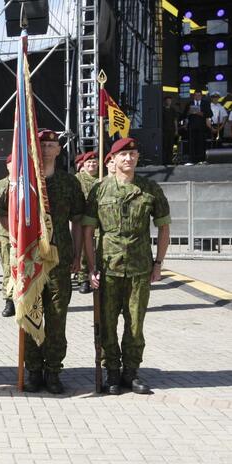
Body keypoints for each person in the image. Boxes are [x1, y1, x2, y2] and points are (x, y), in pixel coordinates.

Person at [82, 138, 170, 395]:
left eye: (132, 154)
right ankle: (111, 373)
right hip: (107, 268)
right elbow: (88, 231)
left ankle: (130, 373)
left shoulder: (149, 189)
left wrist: (158, 264)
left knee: (135, 324)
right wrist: (89, 268)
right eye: (123, 155)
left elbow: (164, 227)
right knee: (107, 323)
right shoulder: (99, 190)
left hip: (139, 268)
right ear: (113, 160)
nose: (129, 159)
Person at [23, 129, 85, 394]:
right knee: (31, 313)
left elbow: (79, 221)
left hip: (60, 260)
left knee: (57, 317)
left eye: (51, 144)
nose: (47, 148)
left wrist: (78, 255)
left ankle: (53, 370)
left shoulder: (69, 183)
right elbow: (7, 216)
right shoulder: (27, 182)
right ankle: (33, 371)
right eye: (42, 144)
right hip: (32, 259)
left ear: (59, 150)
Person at [0, 155, 15, 317]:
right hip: (6, 236)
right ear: (7, 166)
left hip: (25, 237)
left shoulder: (28, 186)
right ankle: (9, 300)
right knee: (8, 268)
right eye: (11, 163)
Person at [75, 151, 99, 294]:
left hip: (98, 219)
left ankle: (96, 275)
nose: (92, 164)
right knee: (84, 248)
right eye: (89, 162)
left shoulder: (103, 178)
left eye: (94, 162)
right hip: (83, 218)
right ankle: (83, 278)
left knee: (96, 249)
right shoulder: (78, 179)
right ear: (83, 164)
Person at [182, 90, 212, 164]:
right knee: (192, 143)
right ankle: (192, 160)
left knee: (201, 143)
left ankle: (201, 159)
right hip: (192, 127)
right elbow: (184, 115)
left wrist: (202, 114)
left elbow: (210, 114)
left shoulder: (206, 103)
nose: (197, 97)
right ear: (193, 96)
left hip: (201, 127)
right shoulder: (189, 103)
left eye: (199, 95)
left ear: (201, 96)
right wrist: (189, 112)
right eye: (196, 95)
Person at [162, 96, 179, 165]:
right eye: (167, 100)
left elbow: (175, 120)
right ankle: (164, 160)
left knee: (171, 145)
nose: (169, 102)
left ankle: (170, 160)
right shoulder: (162, 110)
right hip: (164, 130)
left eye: (170, 100)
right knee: (164, 145)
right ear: (165, 101)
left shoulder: (173, 110)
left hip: (171, 130)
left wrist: (176, 130)